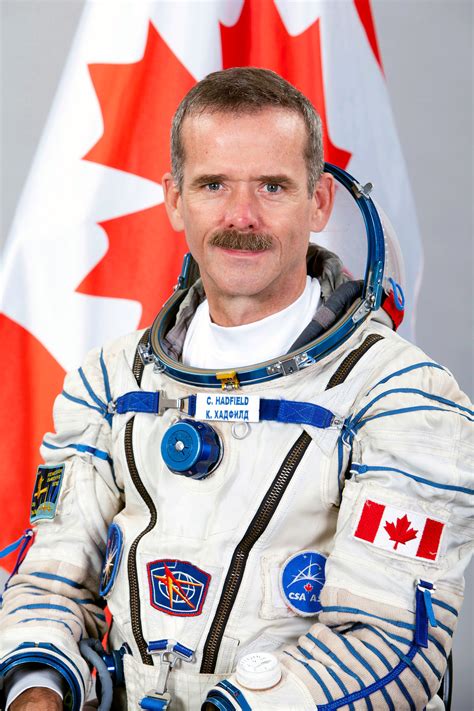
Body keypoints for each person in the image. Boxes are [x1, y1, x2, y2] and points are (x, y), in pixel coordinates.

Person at [0, 68, 472, 711]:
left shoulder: (402, 400)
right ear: (174, 199)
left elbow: (389, 641)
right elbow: (51, 582)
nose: (240, 217)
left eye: (273, 187)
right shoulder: (109, 384)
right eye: (213, 184)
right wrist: (36, 694)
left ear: (320, 203)